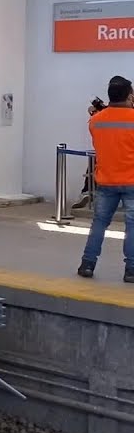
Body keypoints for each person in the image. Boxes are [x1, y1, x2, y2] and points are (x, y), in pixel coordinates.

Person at [79, 76, 134, 282]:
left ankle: (87, 264)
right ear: (130, 96)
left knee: (99, 223)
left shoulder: (96, 120)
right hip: (132, 181)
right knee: (132, 226)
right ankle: (131, 270)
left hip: (106, 181)